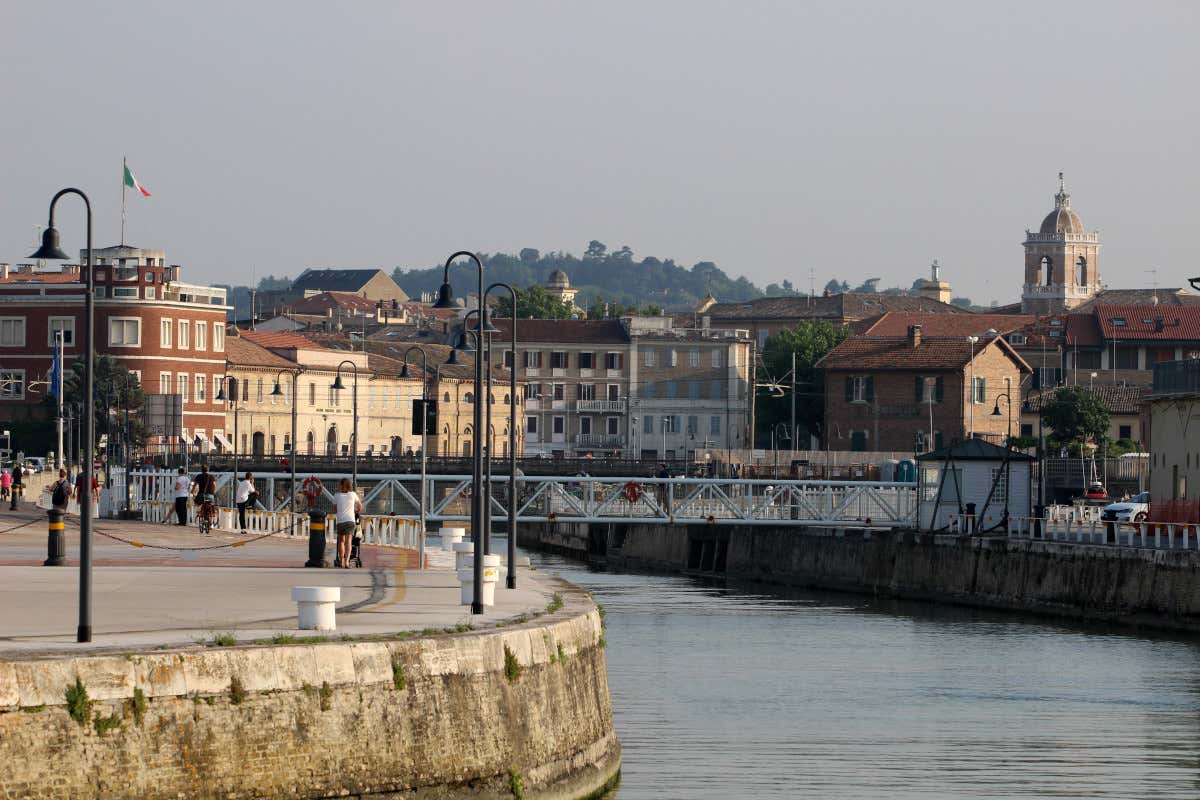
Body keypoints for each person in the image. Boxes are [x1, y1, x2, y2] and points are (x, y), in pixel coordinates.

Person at [332, 478, 362, 569]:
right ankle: (347, 562)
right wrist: (356, 511)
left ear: (341, 485)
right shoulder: (353, 494)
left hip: (340, 521)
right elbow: (360, 505)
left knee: (341, 541)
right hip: (350, 520)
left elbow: (335, 509)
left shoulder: (337, 495)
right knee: (349, 541)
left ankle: (341, 561)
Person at [192, 464, 217, 529]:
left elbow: (194, 485)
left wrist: (192, 492)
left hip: (201, 495)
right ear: (208, 470)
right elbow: (214, 485)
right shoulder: (211, 477)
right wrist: (213, 492)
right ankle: (212, 523)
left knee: (196, 503)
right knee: (212, 506)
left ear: (201, 470)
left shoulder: (199, 476)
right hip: (210, 495)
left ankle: (199, 513)